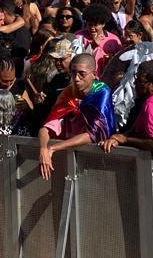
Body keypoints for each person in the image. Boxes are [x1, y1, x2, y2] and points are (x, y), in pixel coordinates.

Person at [37, 53, 114, 181]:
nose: (76, 79)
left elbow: (94, 134)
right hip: (68, 159)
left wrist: (54, 148)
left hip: (96, 160)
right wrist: (43, 149)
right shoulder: (68, 93)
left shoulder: (102, 92)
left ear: (94, 74)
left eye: (82, 74)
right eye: (73, 73)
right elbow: (46, 128)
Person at [100, 60, 153, 154]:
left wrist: (126, 140)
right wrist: (119, 138)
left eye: (140, 81)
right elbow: (135, 129)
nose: (135, 83)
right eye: (136, 77)